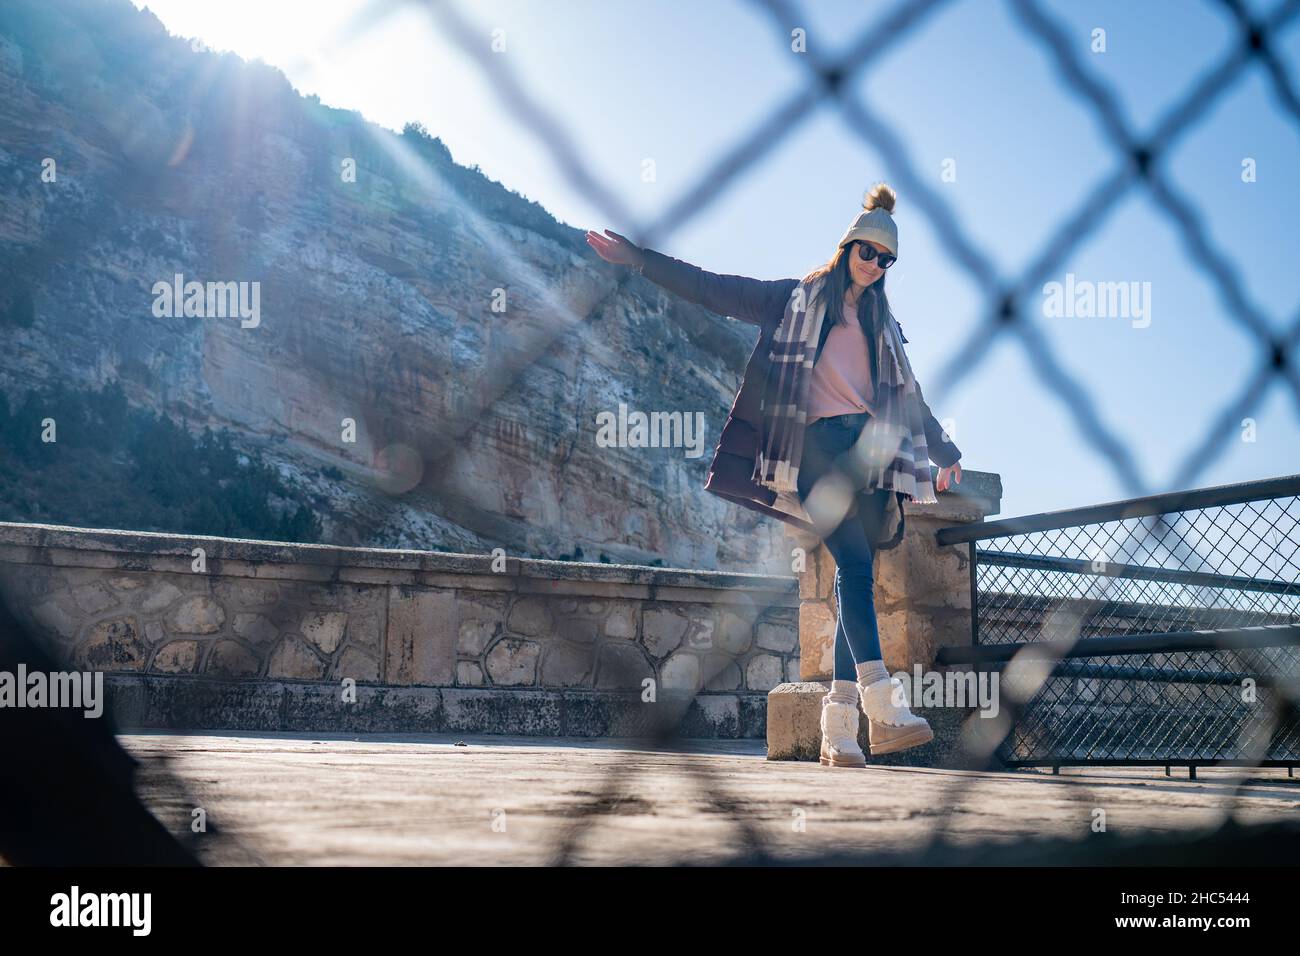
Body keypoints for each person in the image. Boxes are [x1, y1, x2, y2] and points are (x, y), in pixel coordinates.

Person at [586, 182, 962, 767]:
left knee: (854, 579)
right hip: (811, 449)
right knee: (858, 565)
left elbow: (908, 398)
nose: (876, 266)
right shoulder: (794, 300)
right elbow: (712, 289)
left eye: (887, 261)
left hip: (866, 457)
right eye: (869, 253)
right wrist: (639, 259)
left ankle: (838, 734)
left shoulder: (883, 327)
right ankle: (883, 707)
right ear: (848, 247)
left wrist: (945, 450)